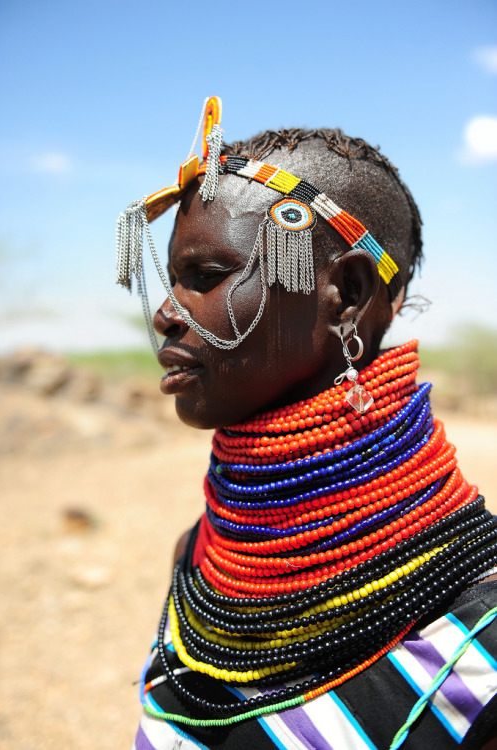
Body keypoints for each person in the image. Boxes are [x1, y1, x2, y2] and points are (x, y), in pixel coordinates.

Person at [117, 98, 497, 750]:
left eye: (206, 275)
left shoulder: (477, 638)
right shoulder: (201, 561)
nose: (165, 314)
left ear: (344, 295)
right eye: (172, 279)